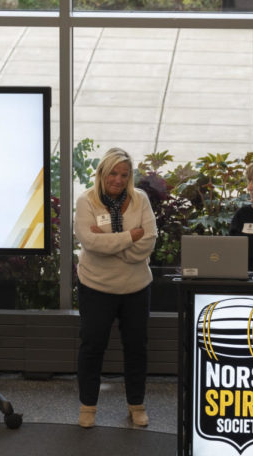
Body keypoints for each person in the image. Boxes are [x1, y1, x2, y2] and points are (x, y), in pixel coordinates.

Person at [74, 147, 158, 428]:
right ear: (101, 173)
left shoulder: (140, 200)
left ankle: (137, 405)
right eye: (113, 173)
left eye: (124, 174)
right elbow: (90, 243)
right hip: (96, 287)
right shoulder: (87, 201)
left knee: (136, 348)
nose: (118, 179)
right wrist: (128, 238)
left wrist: (111, 243)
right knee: (92, 347)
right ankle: (88, 407)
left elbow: (148, 243)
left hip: (136, 288)